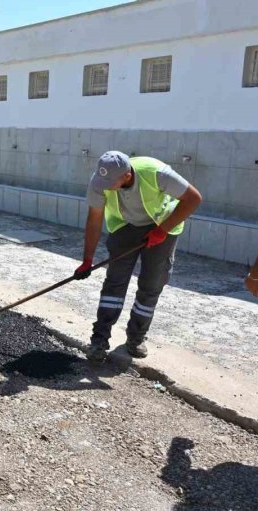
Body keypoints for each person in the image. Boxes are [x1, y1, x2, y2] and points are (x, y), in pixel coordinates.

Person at [74, 151, 202, 360]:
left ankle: (136, 337)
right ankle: (99, 339)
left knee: (151, 284)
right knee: (114, 282)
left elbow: (193, 198)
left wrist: (162, 231)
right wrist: (87, 260)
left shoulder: (155, 172)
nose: (104, 186)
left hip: (163, 225)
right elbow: (94, 220)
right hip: (126, 227)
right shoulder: (99, 181)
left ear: (126, 176)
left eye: (110, 182)